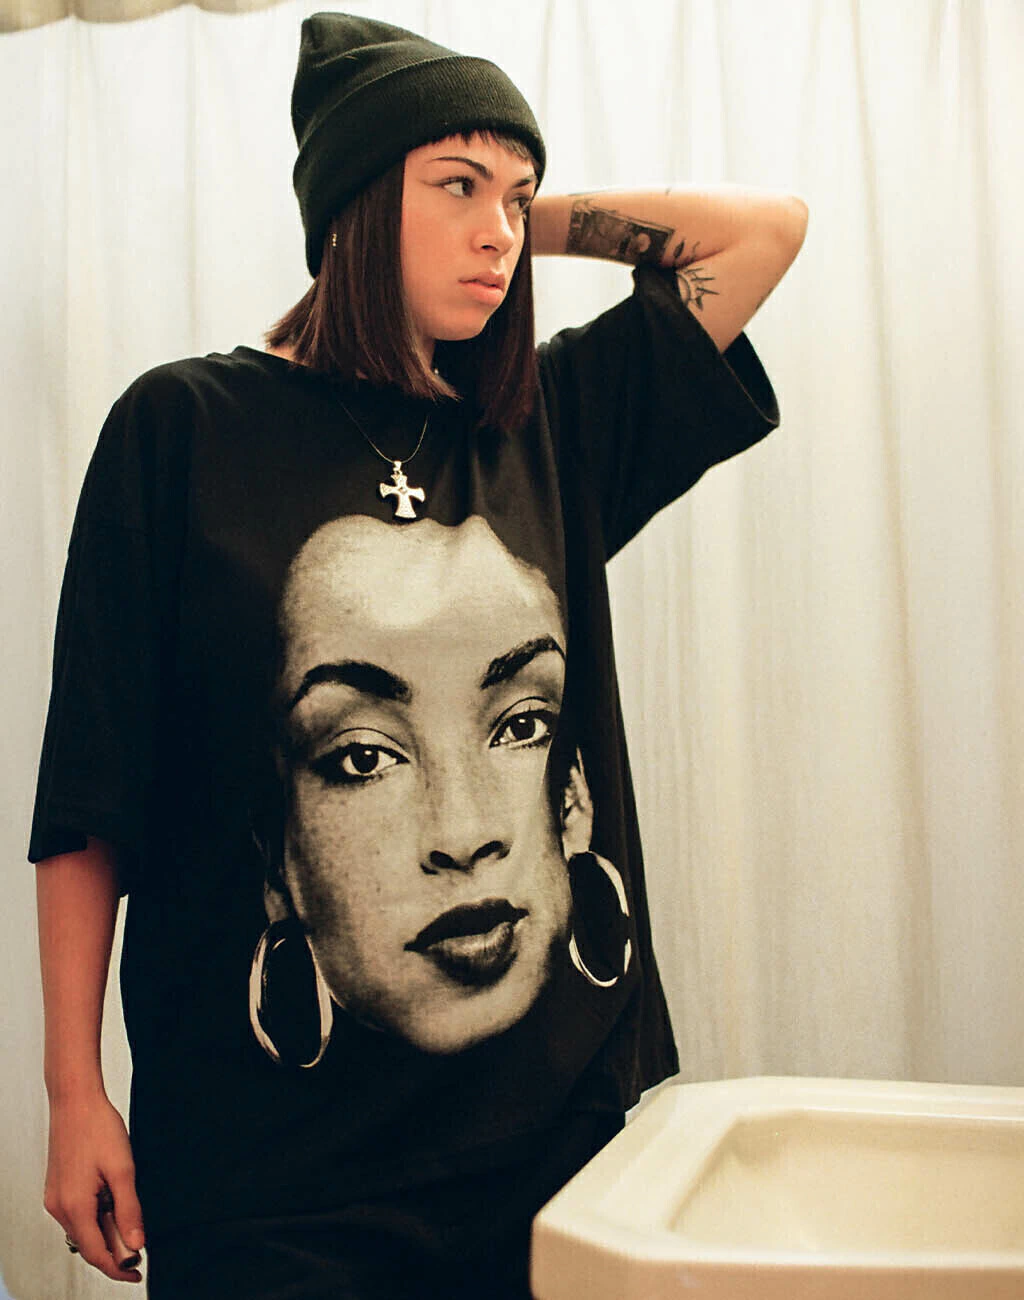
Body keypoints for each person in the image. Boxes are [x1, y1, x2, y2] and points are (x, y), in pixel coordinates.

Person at [31, 12, 807, 1299]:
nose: (497, 228)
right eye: (455, 187)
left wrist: (512, 214)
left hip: (552, 1155)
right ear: (351, 202)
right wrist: (74, 1091)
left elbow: (763, 232)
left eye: (517, 196)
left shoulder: (542, 425)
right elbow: (91, 792)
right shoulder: (184, 429)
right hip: (269, 1177)